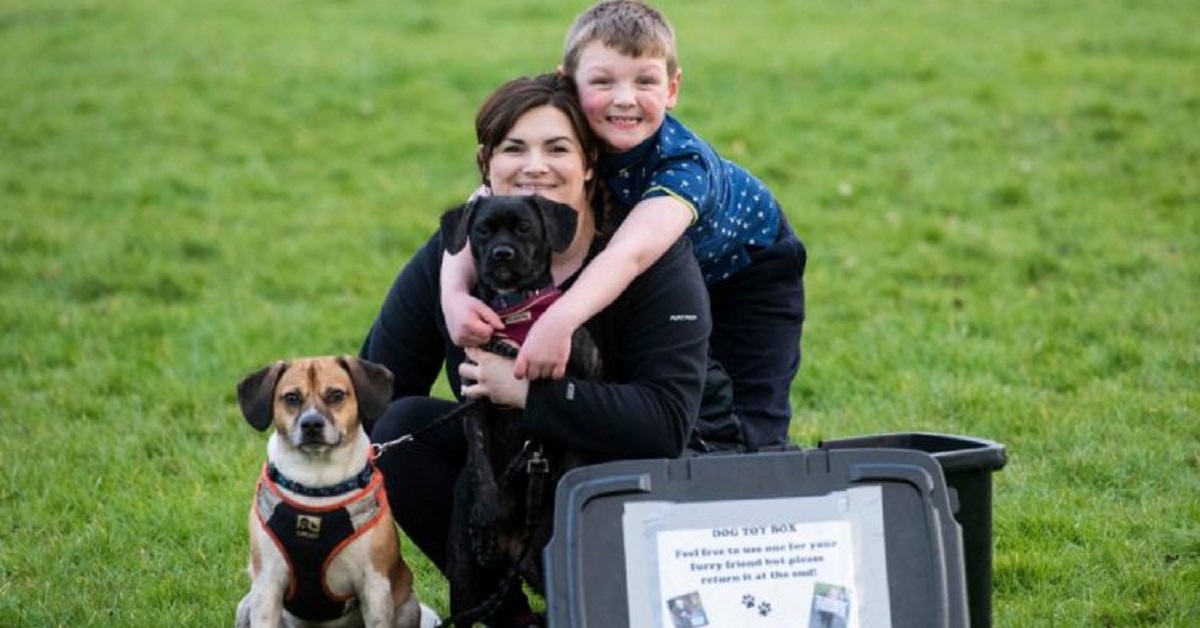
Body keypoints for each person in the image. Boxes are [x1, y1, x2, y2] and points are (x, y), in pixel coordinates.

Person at [359, 73, 712, 627]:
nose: (535, 166)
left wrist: (527, 393)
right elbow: (380, 393)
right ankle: (508, 618)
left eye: (557, 148)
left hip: (626, 474)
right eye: (514, 149)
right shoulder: (463, 247)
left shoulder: (648, 253)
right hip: (505, 479)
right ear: (486, 165)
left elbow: (665, 425)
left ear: (590, 162)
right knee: (401, 431)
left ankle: (599, 604)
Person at [441, 0, 806, 451]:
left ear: (672, 88)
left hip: (748, 274)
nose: (624, 98)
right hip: (673, 275)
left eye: (645, 81)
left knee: (751, 423)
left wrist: (560, 318)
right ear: (568, 83)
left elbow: (630, 252)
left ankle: (772, 484)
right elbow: (481, 201)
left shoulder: (683, 166)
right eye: (602, 81)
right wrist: (454, 295)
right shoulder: (570, 134)